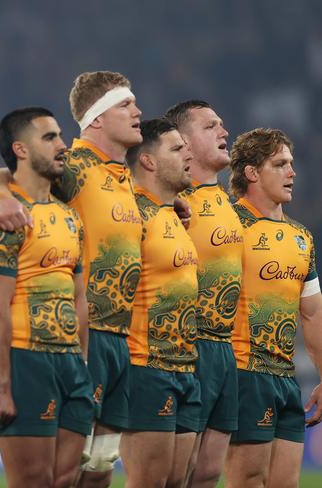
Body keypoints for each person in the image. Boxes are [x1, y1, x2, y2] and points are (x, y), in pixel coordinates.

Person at [0, 71, 147, 487]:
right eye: (126, 105)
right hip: (76, 333)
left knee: (99, 469)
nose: (138, 112)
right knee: (62, 475)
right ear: (96, 118)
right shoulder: (74, 166)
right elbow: (9, 174)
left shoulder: (123, 176)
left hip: (119, 336)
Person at [0, 107, 93, 487]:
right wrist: (2, 385)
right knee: (33, 480)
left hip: (70, 362)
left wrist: (81, 361)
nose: (62, 145)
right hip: (26, 357)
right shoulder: (6, 217)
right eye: (49, 138)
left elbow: (79, 298)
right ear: (21, 149)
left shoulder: (69, 216)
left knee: (66, 479)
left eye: (60, 136)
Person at [224, 128, 322, 488]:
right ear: (252, 173)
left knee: (286, 483)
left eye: (291, 164)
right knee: (247, 480)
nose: (292, 172)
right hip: (242, 372)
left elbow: (312, 313)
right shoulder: (228, 225)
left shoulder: (302, 237)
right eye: (280, 164)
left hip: (284, 377)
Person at [164, 100, 243, 488]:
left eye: (222, 124)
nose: (224, 132)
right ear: (184, 144)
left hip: (224, 350)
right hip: (186, 345)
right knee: (175, 473)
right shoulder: (170, 202)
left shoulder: (229, 206)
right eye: (211, 126)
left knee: (210, 472)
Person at [122, 118, 200, 488]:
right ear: (149, 162)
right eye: (176, 148)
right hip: (146, 366)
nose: (189, 154)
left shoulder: (172, 216)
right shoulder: (129, 214)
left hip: (186, 367)